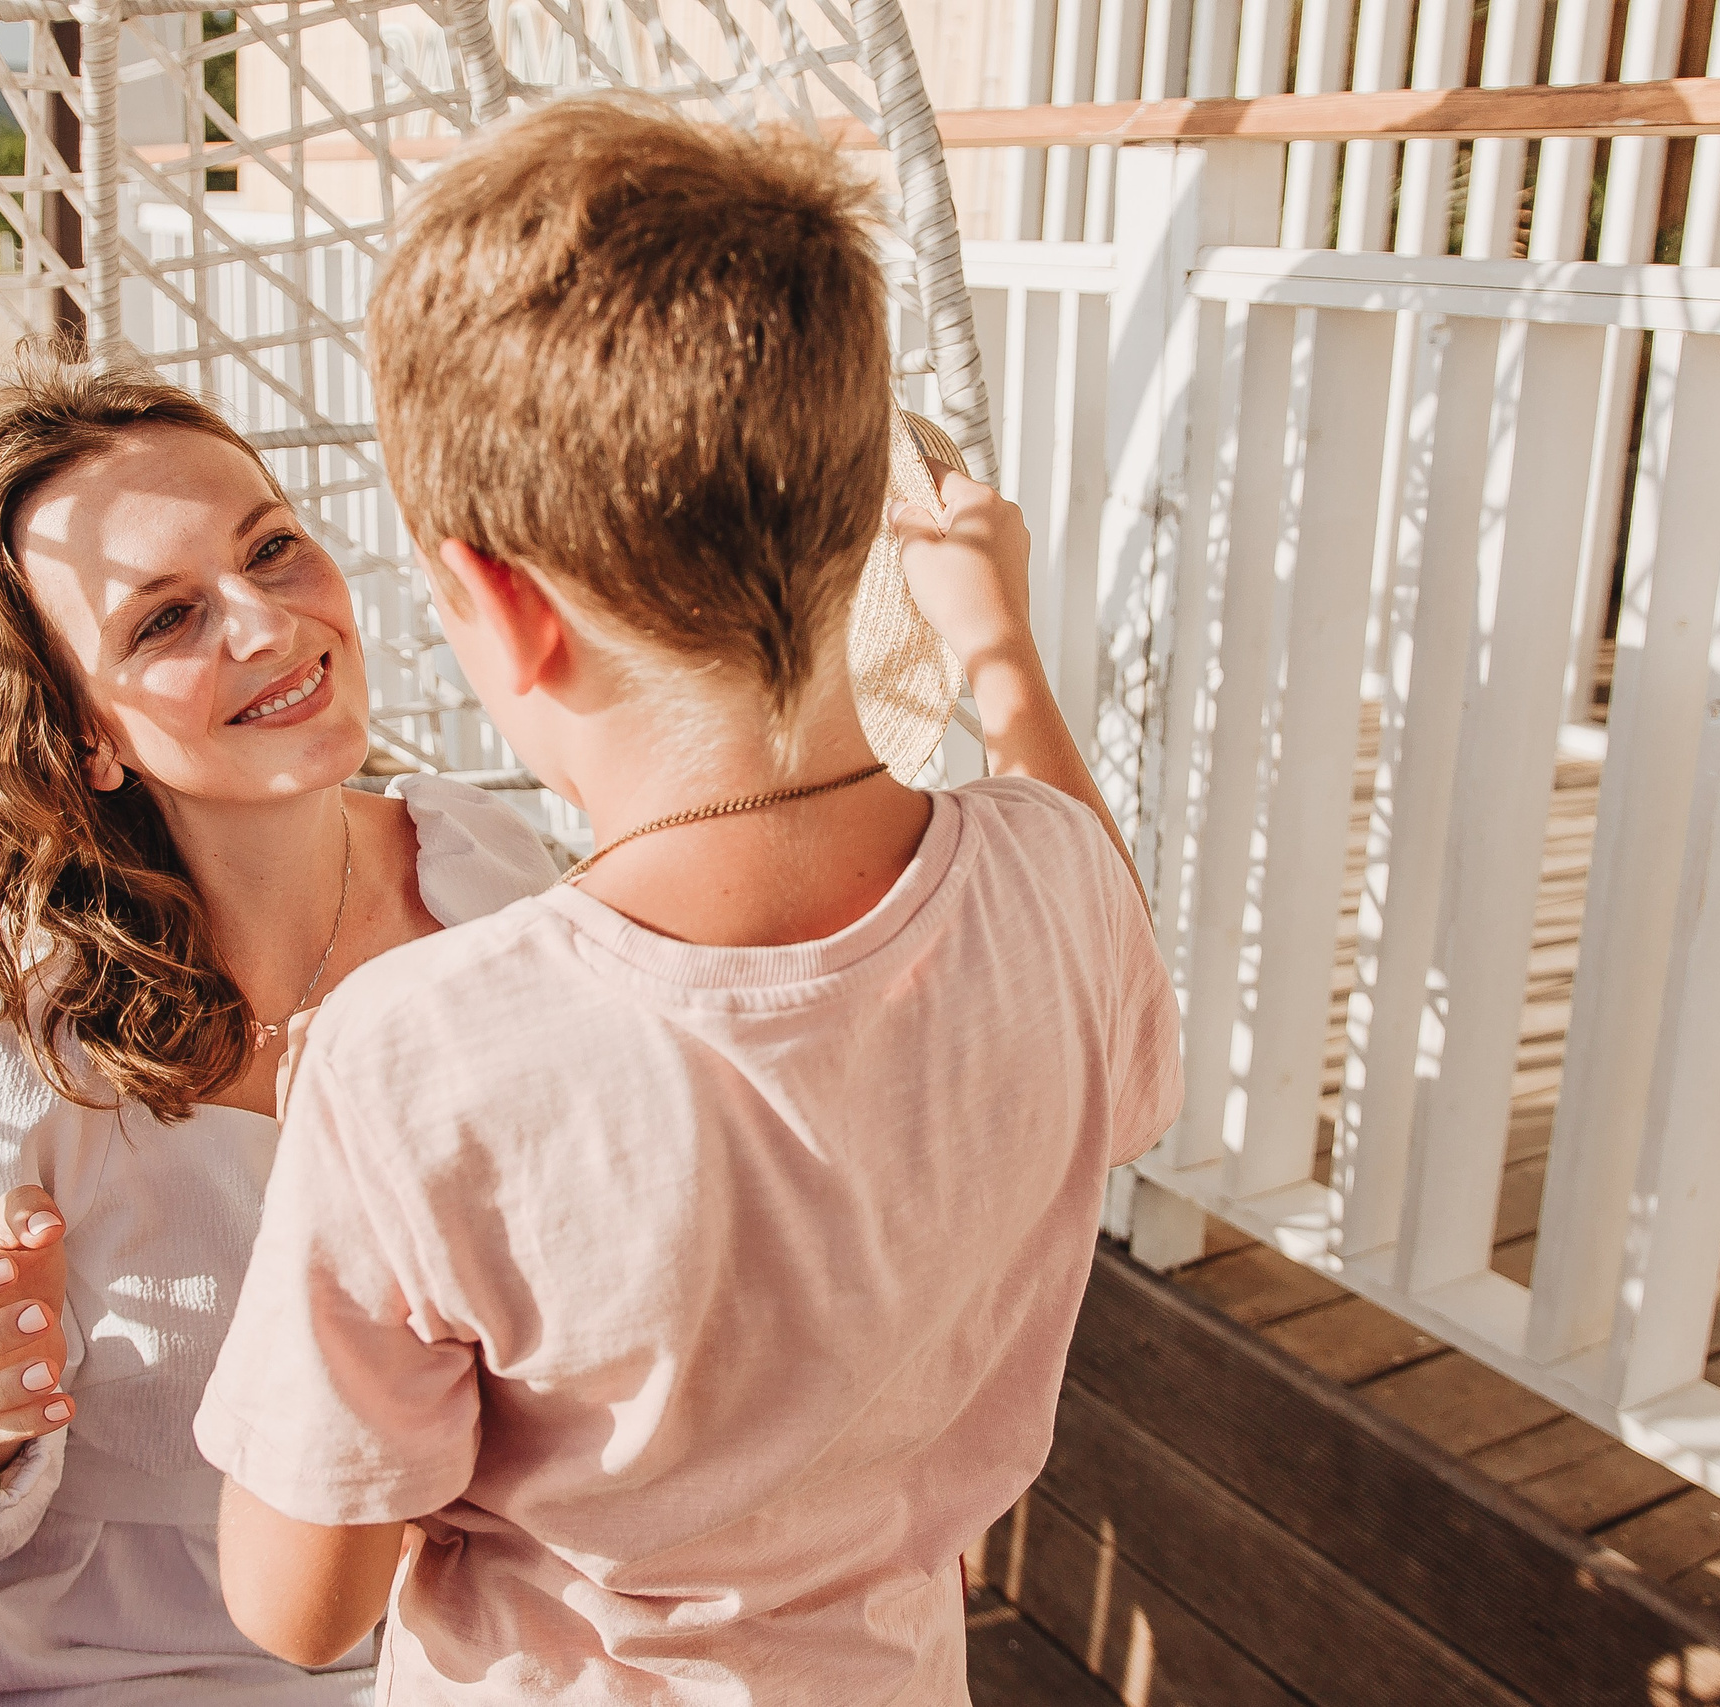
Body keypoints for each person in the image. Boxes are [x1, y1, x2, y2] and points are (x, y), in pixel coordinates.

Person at [193, 97, 1183, 1704]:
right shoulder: (1062, 890)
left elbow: (298, 1610)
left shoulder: (420, 1052)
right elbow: (1108, 988)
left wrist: (337, 1211)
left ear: (504, 611)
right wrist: (998, 652)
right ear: (865, 522)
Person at [0, 340, 559, 1704]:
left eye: (272, 549)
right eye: (165, 620)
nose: (265, 625)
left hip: (488, 1630)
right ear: (86, 734)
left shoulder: (487, 877)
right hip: (129, 1666)